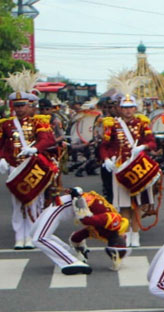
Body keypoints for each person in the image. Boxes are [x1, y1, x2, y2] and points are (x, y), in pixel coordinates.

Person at [0, 70, 58, 249]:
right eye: (16, 105)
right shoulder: (6, 124)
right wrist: (1, 158)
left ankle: (33, 234)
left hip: (32, 166)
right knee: (17, 203)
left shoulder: (38, 122)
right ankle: (20, 236)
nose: (19, 109)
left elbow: (47, 139)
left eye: (22, 105)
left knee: (34, 201)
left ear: (29, 105)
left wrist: (35, 148)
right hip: (15, 167)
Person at [99, 73, 158, 248]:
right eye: (124, 107)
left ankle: (135, 233)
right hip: (120, 167)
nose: (128, 110)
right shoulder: (112, 124)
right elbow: (105, 145)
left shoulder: (142, 123)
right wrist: (106, 159)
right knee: (124, 204)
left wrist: (143, 147)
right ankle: (124, 234)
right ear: (119, 108)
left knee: (137, 203)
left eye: (131, 107)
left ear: (135, 108)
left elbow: (152, 142)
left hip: (138, 166)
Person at [32, 187, 129, 275]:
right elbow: (86, 220)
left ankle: (71, 261)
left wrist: (79, 247)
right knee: (35, 235)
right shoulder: (114, 222)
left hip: (71, 205)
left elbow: (80, 233)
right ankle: (70, 257)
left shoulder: (105, 233)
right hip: (69, 203)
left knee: (39, 238)